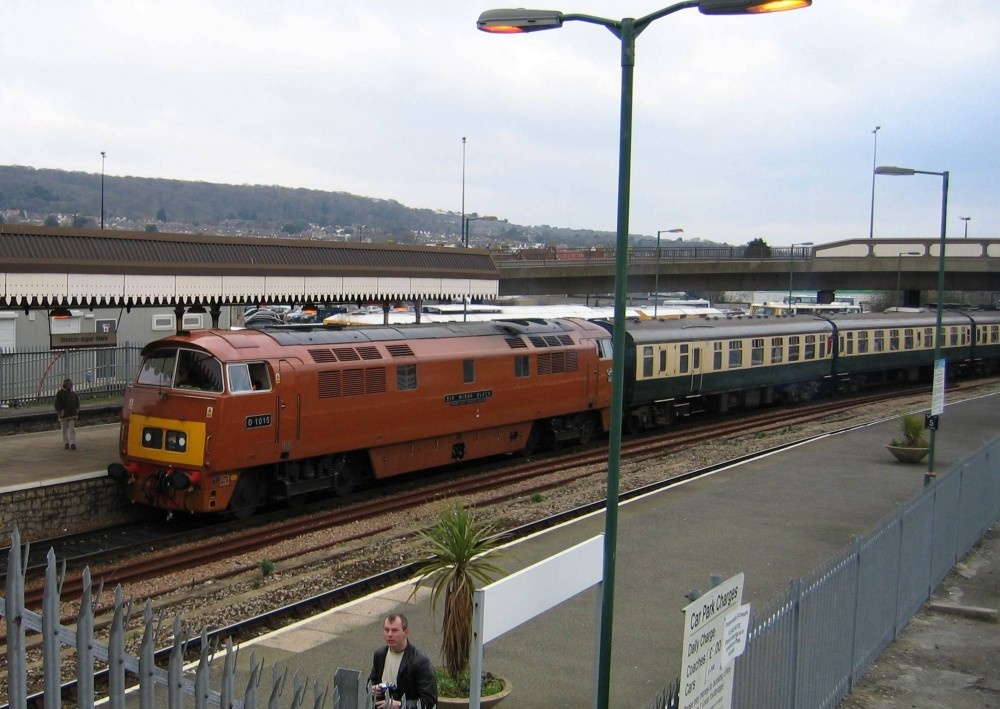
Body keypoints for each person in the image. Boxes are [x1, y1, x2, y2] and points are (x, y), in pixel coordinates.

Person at [369, 613, 437, 709]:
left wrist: (401, 705)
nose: (389, 634)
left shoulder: (420, 661)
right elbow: (371, 681)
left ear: (406, 632)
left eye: (395, 630)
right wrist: (373, 690)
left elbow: (429, 702)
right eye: (386, 630)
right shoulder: (379, 655)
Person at [54, 378, 80, 450]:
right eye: (70, 384)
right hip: (63, 415)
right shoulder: (59, 393)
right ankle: (66, 442)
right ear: (65, 385)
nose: (71, 385)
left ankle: (72, 443)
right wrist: (61, 410)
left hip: (72, 414)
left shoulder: (73, 393)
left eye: (71, 384)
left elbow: (77, 402)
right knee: (64, 430)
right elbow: (57, 404)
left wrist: (77, 409)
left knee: (72, 429)